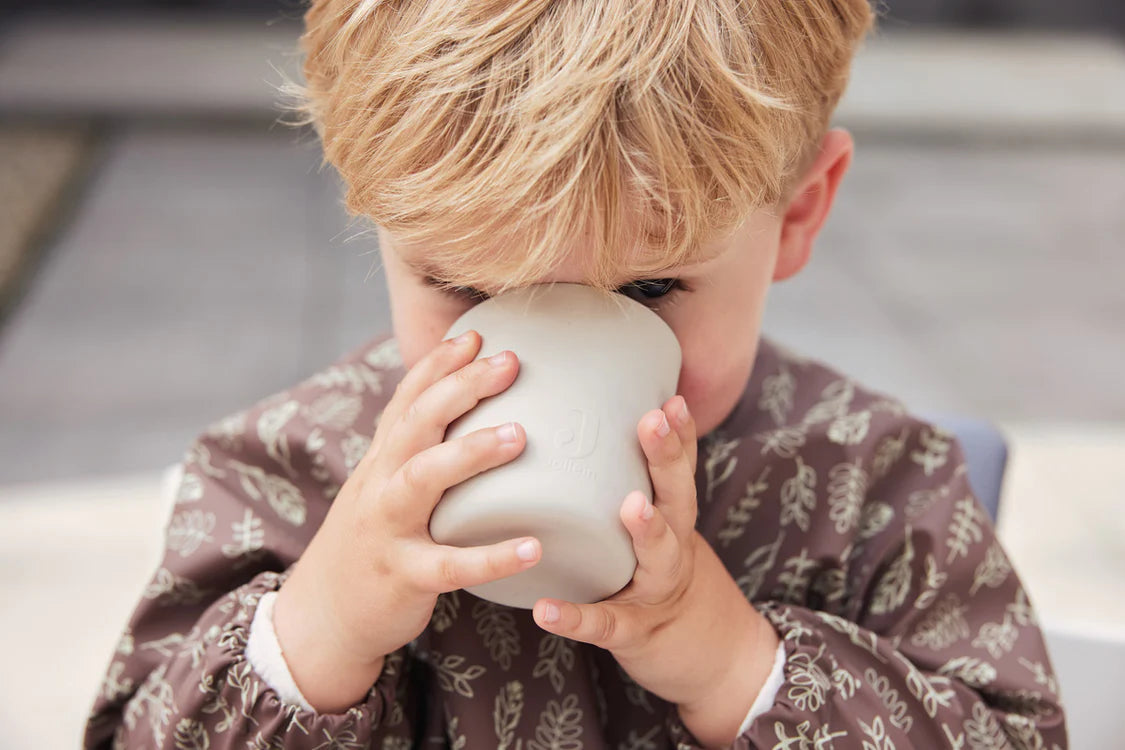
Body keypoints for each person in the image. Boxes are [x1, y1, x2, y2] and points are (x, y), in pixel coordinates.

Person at [84, 1, 1068, 747]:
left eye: (645, 288)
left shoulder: (877, 488)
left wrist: (737, 665)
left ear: (799, 214)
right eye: (468, 290)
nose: (540, 357)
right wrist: (319, 633)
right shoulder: (284, 469)